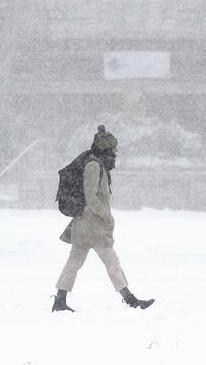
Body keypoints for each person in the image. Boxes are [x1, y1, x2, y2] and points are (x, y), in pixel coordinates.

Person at [52, 124, 154, 312]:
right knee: (111, 262)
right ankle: (130, 300)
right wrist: (105, 214)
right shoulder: (93, 165)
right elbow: (90, 196)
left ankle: (59, 300)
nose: (116, 152)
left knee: (75, 262)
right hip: (93, 225)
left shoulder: (98, 164)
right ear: (106, 148)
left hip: (86, 224)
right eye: (114, 148)